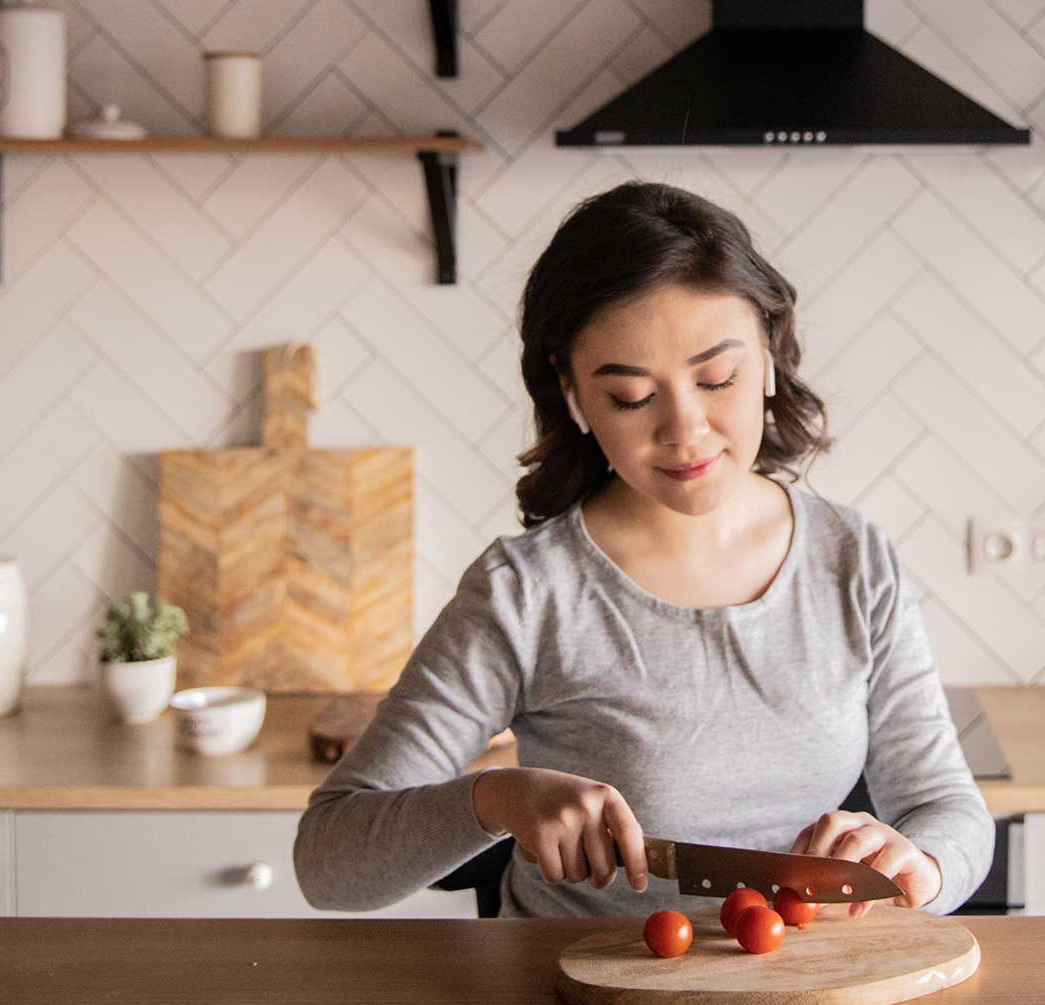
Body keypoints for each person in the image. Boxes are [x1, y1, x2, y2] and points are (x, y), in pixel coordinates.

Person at [293, 180, 993, 920]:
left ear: (769, 357)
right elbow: (328, 863)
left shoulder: (850, 557)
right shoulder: (525, 593)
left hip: (803, 990)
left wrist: (919, 865)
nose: (685, 431)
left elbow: (947, 807)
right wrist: (494, 799)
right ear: (574, 399)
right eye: (631, 397)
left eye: (718, 377)